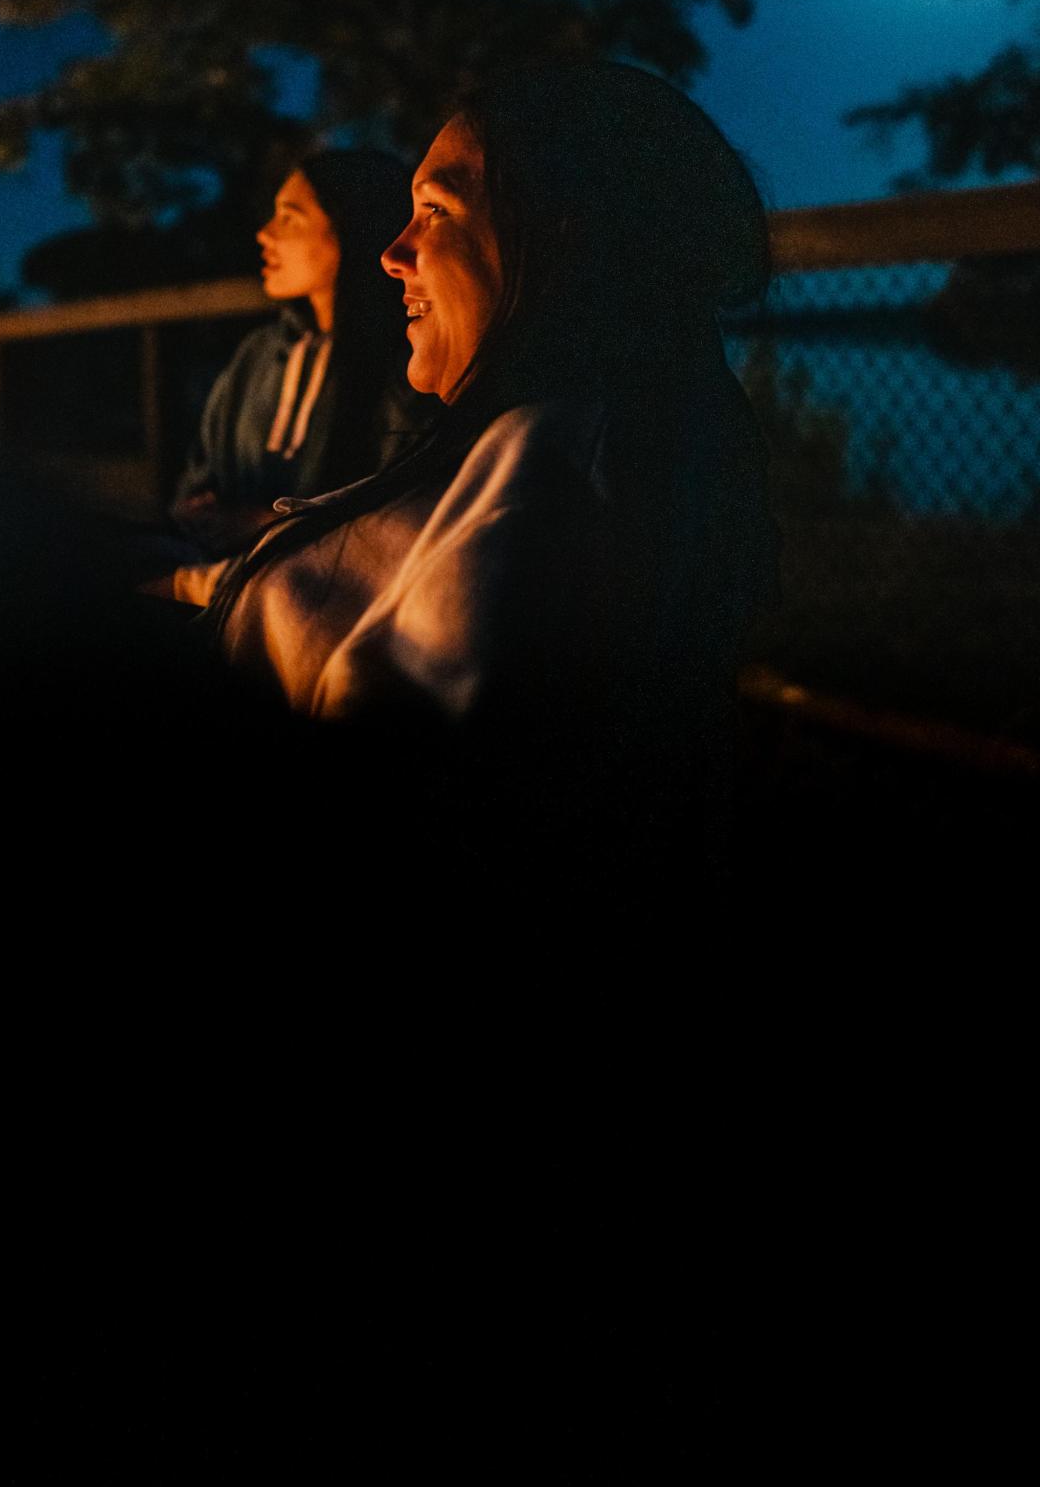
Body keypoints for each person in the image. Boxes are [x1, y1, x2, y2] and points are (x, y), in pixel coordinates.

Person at [197, 61, 776, 883]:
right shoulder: (598, 441)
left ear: (566, 235)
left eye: (435, 211)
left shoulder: (556, 484)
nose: (393, 254)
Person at [170, 148, 427, 560]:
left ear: (350, 229)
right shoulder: (258, 354)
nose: (265, 234)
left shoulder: (405, 362)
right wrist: (198, 511)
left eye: (289, 219)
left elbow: (405, 512)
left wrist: (266, 524)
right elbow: (202, 472)